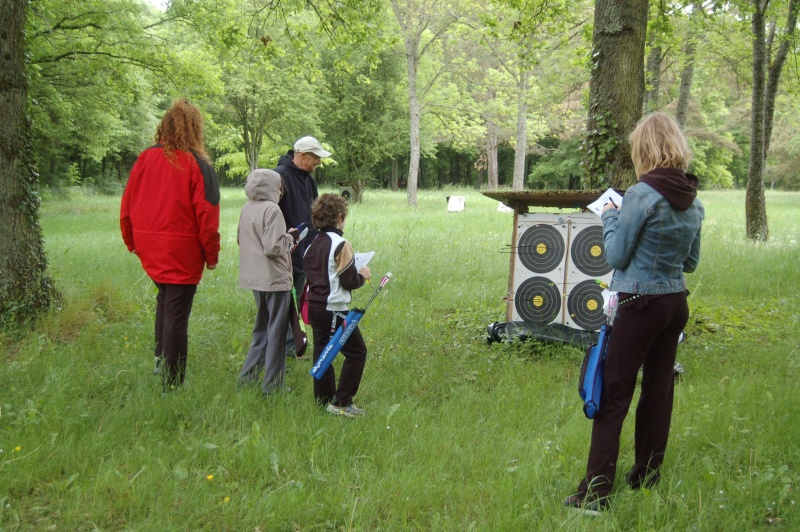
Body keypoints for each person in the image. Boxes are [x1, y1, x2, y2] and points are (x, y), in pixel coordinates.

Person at [565, 112, 704, 514]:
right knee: (658, 392)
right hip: (675, 303)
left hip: (638, 303)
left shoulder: (642, 194)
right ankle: (646, 476)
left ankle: (594, 494)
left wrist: (609, 215)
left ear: (643, 149)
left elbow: (616, 254)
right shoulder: (693, 199)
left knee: (612, 394)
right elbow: (690, 261)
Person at [120, 98, 220, 391]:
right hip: (181, 251)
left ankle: (160, 363)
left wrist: (133, 242)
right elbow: (208, 216)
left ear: (164, 126)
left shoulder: (145, 158)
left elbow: (126, 206)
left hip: (150, 246)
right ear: (195, 129)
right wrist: (211, 255)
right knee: (175, 312)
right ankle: (172, 382)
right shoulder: (197, 164)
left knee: (165, 302)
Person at [303, 194, 371, 417]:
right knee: (357, 352)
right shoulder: (341, 244)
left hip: (315, 307)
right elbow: (348, 281)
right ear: (340, 216)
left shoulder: (312, 244)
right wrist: (362, 274)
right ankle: (342, 402)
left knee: (323, 353)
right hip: (334, 308)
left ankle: (323, 402)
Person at [236, 168, 300, 394]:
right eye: (279, 185)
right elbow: (273, 247)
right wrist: (291, 238)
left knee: (261, 330)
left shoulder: (247, 208)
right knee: (277, 332)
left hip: (254, 277)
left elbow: (240, 240)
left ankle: (247, 379)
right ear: (274, 186)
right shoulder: (273, 209)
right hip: (274, 278)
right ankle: (273, 387)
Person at [274, 136, 331, 356]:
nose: (318, 162)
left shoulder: (309, 179)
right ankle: (282, 346)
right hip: (284, 250)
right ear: (303, 155)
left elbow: (314, 214)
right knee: (283, 301)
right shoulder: (279, 176)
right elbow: (271, 215)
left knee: (298, 298)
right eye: (316, 157)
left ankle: (292, 344)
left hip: (306, 250)